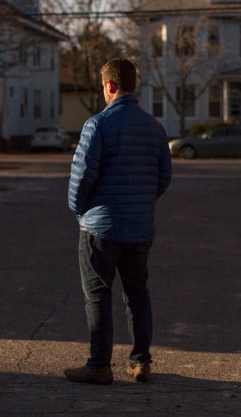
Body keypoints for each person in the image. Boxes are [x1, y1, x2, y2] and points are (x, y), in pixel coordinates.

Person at [65, 58, 172, 385]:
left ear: (110, 86)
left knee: (98, 295)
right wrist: (140, 204)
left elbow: (82, 178)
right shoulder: (155, 127)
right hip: (140, 228)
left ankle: (99, 364)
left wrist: (79, 210)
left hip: (101, 228)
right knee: (137, 294)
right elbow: (163, 177)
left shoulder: (97, 124)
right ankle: (140, 362)